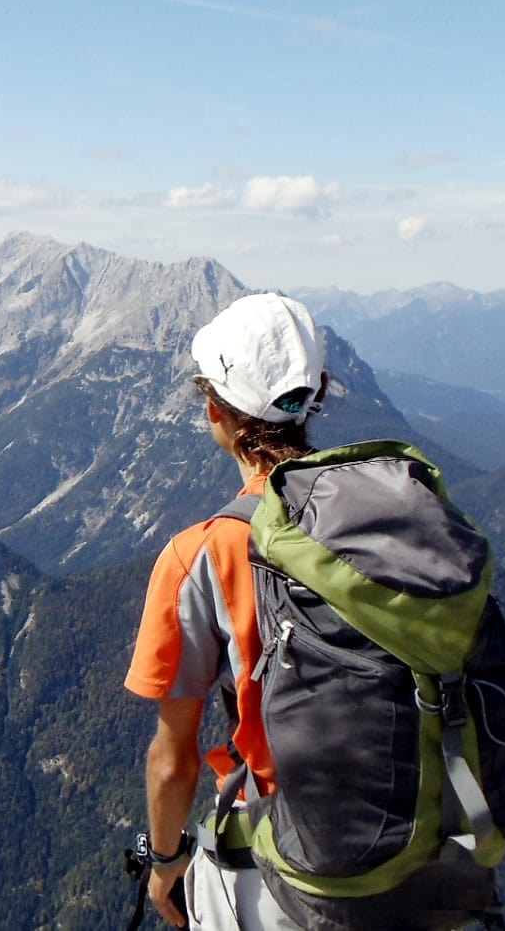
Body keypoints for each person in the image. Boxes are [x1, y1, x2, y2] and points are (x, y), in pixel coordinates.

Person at [124, 292, 329, 930]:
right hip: (424, 832)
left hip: (288, 861)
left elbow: (173, 755)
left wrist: (165, 862)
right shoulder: (388, 516)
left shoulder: (203, 553)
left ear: (215, 410)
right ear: (315, 395)